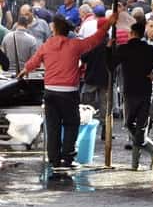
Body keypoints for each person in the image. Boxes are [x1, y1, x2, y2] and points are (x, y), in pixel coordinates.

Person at [18, 13, 110, 170]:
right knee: (71, 124)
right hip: (69, 92)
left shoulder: (47, 45)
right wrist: (106, 26)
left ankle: (54, 160)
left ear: (55, 30)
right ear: (68, 31)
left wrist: (25, 70)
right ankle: (67, 158)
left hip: (50, 91)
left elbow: (33, 61)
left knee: (53, 126)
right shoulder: (74, 45)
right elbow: (94, 41)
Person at [111, 21, 153, 170]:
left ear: (132, 33)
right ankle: (148, 152)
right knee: (140, 126)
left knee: (129, 124)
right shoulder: (150, 50)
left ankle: (141, 158)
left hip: (129, 92)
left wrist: (109, 48)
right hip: (145, 91)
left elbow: (110, 65)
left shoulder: (124, 49)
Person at [2, 7, 37, 73]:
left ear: (17, 24)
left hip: (8, 75)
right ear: (27, 26)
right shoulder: (32, 40)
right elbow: (33, 61)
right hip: (25, 74)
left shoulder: (6, 37)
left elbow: (3, 57)